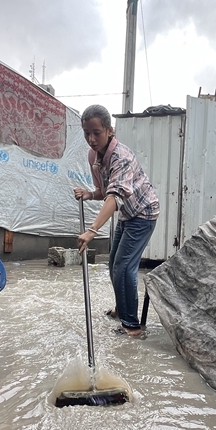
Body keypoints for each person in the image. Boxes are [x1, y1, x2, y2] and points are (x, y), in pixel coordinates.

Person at [74, 105, 159, 338]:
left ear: (109, 131)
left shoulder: (121, 157)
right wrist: (89, 194)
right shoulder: (95, 155)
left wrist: (92, 230)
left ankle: (132, 326)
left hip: (143, 213)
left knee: (124, 268)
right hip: (127, 213)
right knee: (114, 265)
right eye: (86, 133)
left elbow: (115, 195)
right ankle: (122, 308)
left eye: (96, 133)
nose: (91, 139)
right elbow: (104, 190)